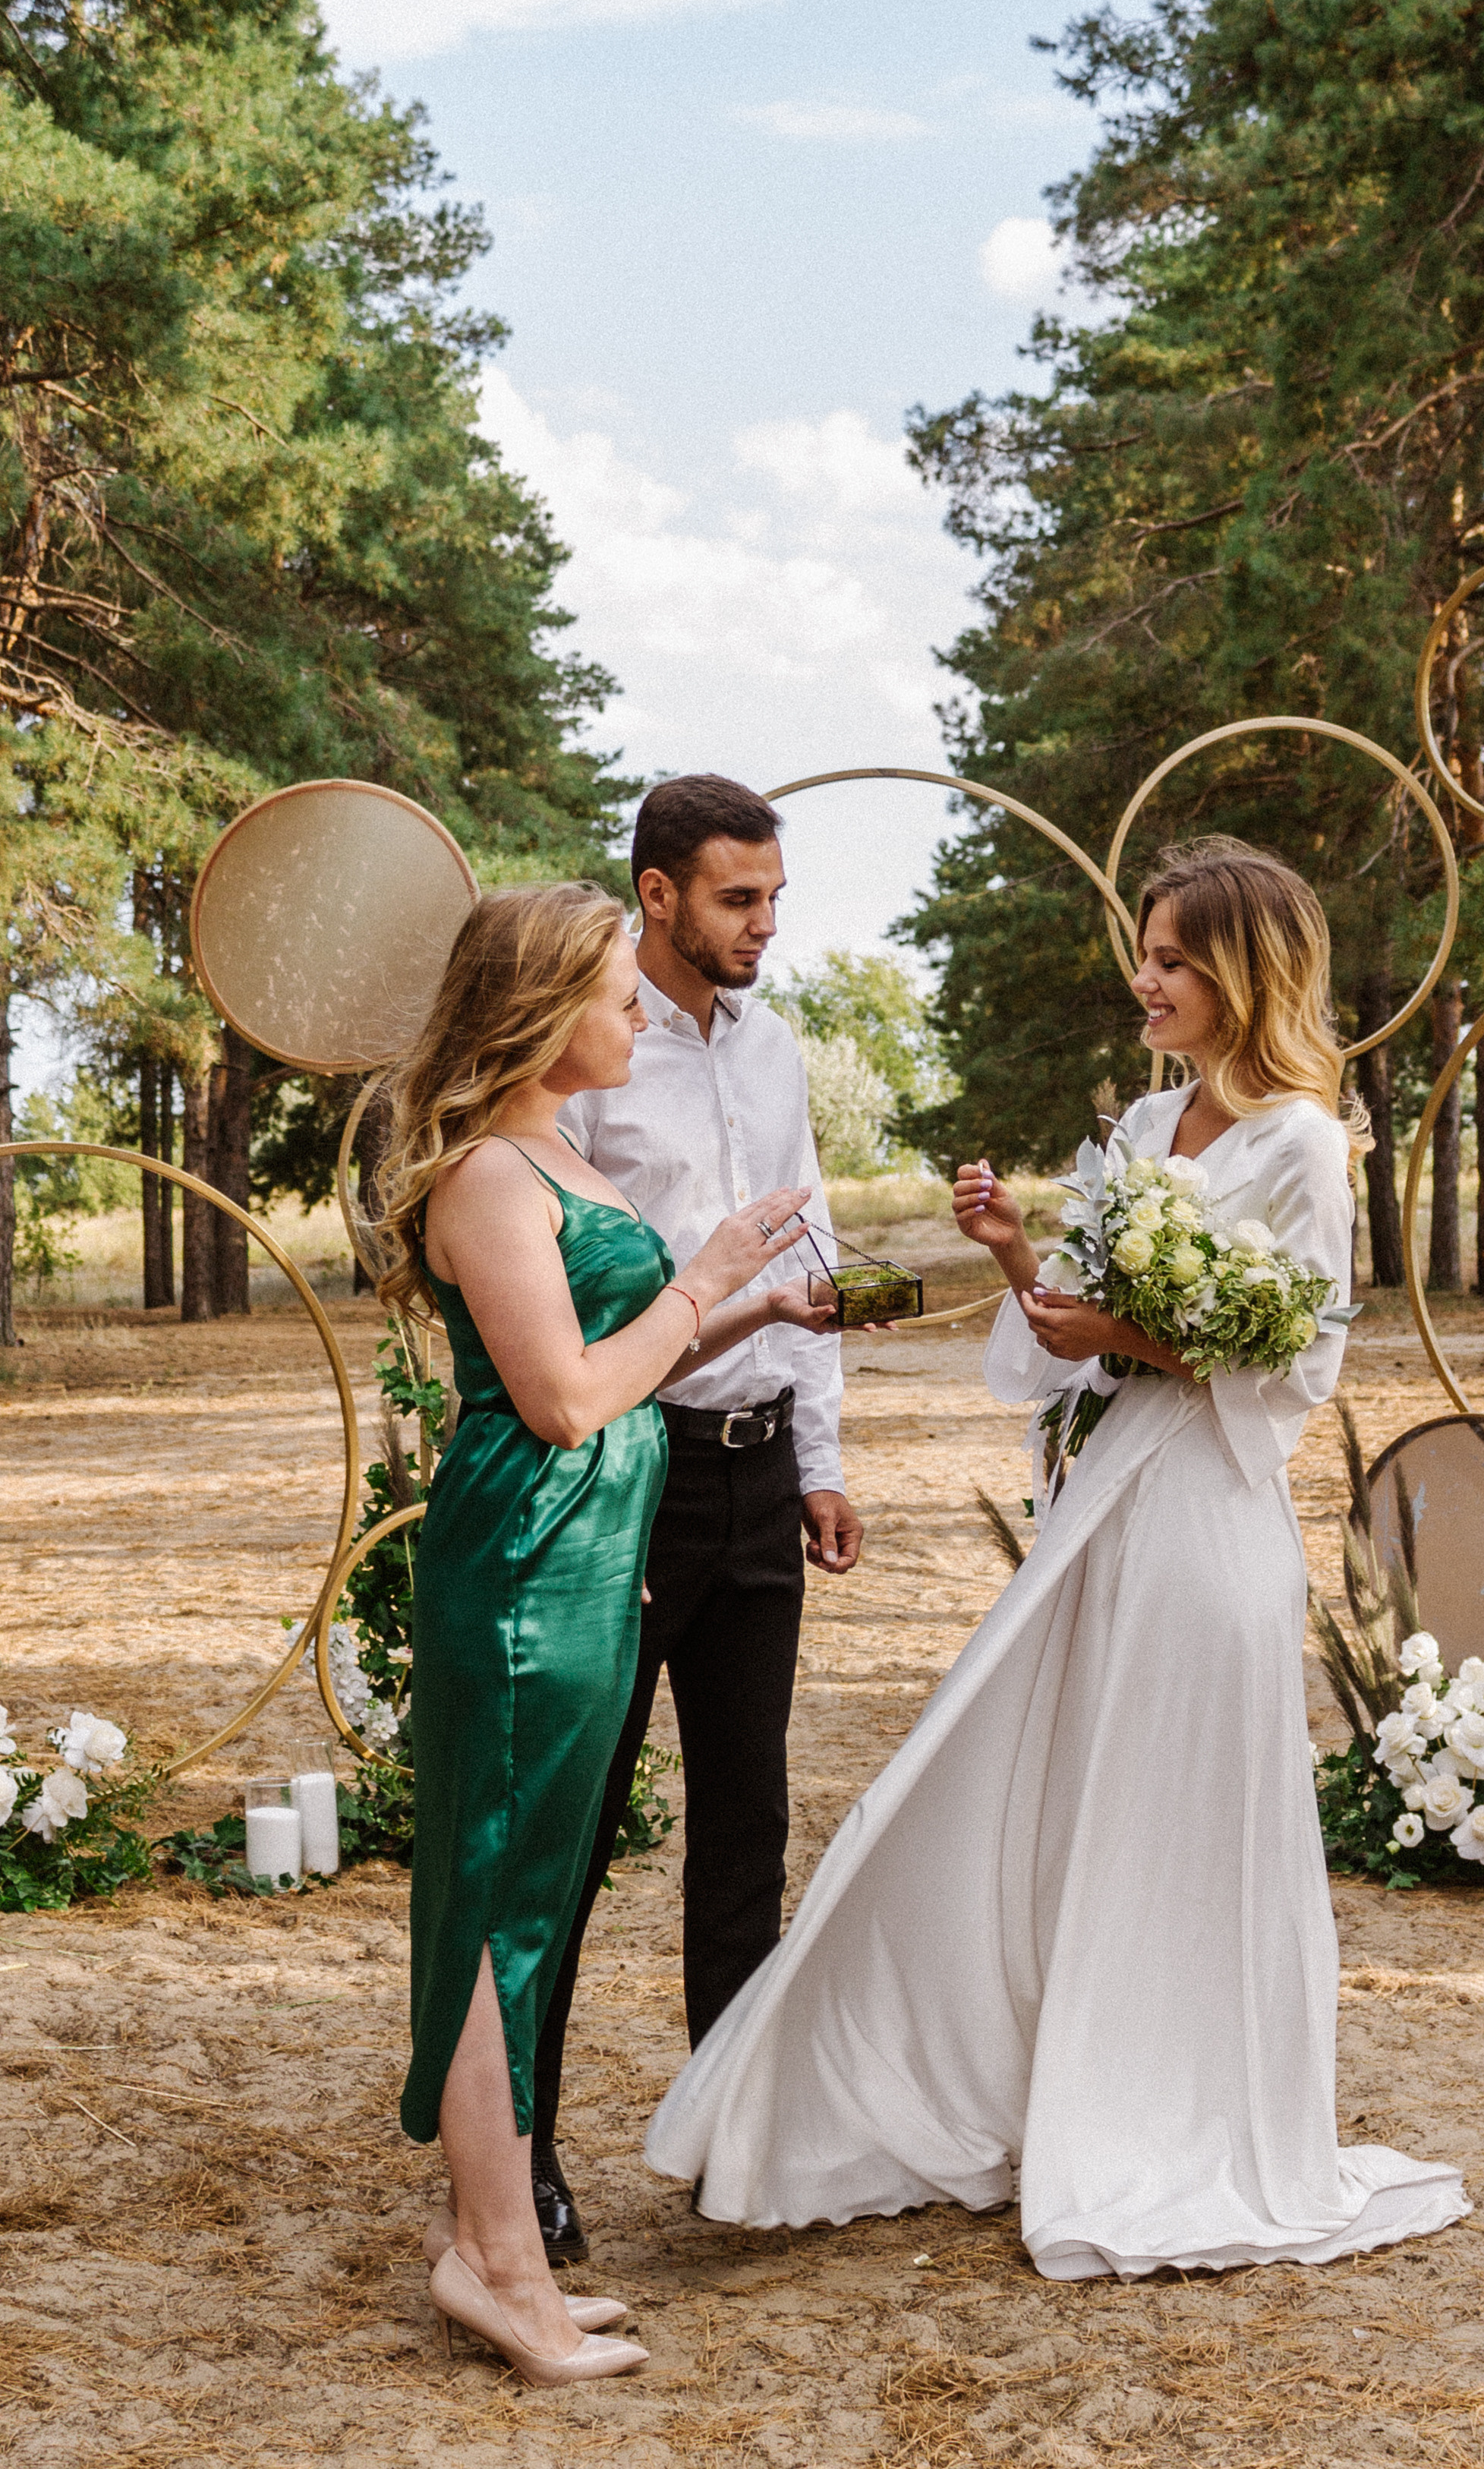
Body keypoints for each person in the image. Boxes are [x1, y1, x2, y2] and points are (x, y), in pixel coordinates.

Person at [643, 837, 1470, 2278]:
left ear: (1238, 974)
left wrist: (1134, 1338)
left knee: (1176, 1818)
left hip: (1207, 1519)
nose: (1142, 983)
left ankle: (1173, 2114)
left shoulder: (1299, 1144)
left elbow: (1305, 1360)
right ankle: (968, 2073)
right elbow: (1059, 1342)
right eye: (1142, 958)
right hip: (1102, 1507)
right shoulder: (1148, 1132)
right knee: (1043, 1794)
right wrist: (1022, 1256)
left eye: (1167, 962)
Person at [375, 881, 827, 2383]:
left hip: (585, 1557)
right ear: (538, 1003)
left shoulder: (554, 1149)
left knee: (532, 1882)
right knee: (500, 1906)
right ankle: (499, 2261)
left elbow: (628, 1345)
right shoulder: (489, 1177)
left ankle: (488, 2242)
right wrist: (699, 1281)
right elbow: (565, 1395)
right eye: (618, 990)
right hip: (523, 1567)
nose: (642, 1011)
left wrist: (759, 1305)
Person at [528, 775, 866, 2266]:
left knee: (748, 1818)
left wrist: (818, 1455)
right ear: (657, 893)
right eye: (739, 898)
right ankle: (517, 2147)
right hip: (622, 1473)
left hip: (750, 1474)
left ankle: (738, 2140)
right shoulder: (582, 1052)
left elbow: (812, 1249)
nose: (765, 925)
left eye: (775, 896)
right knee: (572, 1825)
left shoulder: (776, 1043)